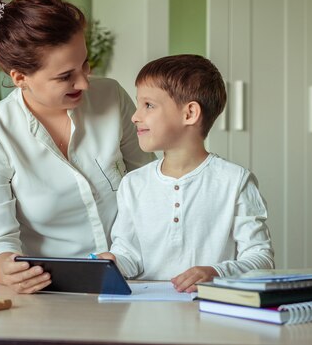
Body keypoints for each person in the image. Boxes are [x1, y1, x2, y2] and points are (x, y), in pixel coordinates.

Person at [0, 0, 155, 293]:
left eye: (85, 64)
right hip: (56, 293)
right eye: (65, 76)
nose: (84, 83)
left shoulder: (112, 98)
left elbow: (151, 186)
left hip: (140, 278)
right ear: (20, 77)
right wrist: (5, 268)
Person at [98, 54, 274, 292]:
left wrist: (216, 272)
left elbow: (261, 259)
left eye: (148, 105)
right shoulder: (133, 184)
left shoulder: (235, 181)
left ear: (190, 113)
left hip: (213, 310)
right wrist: (113, 262)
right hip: (147, 313)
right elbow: (129, 253)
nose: (135, 116)